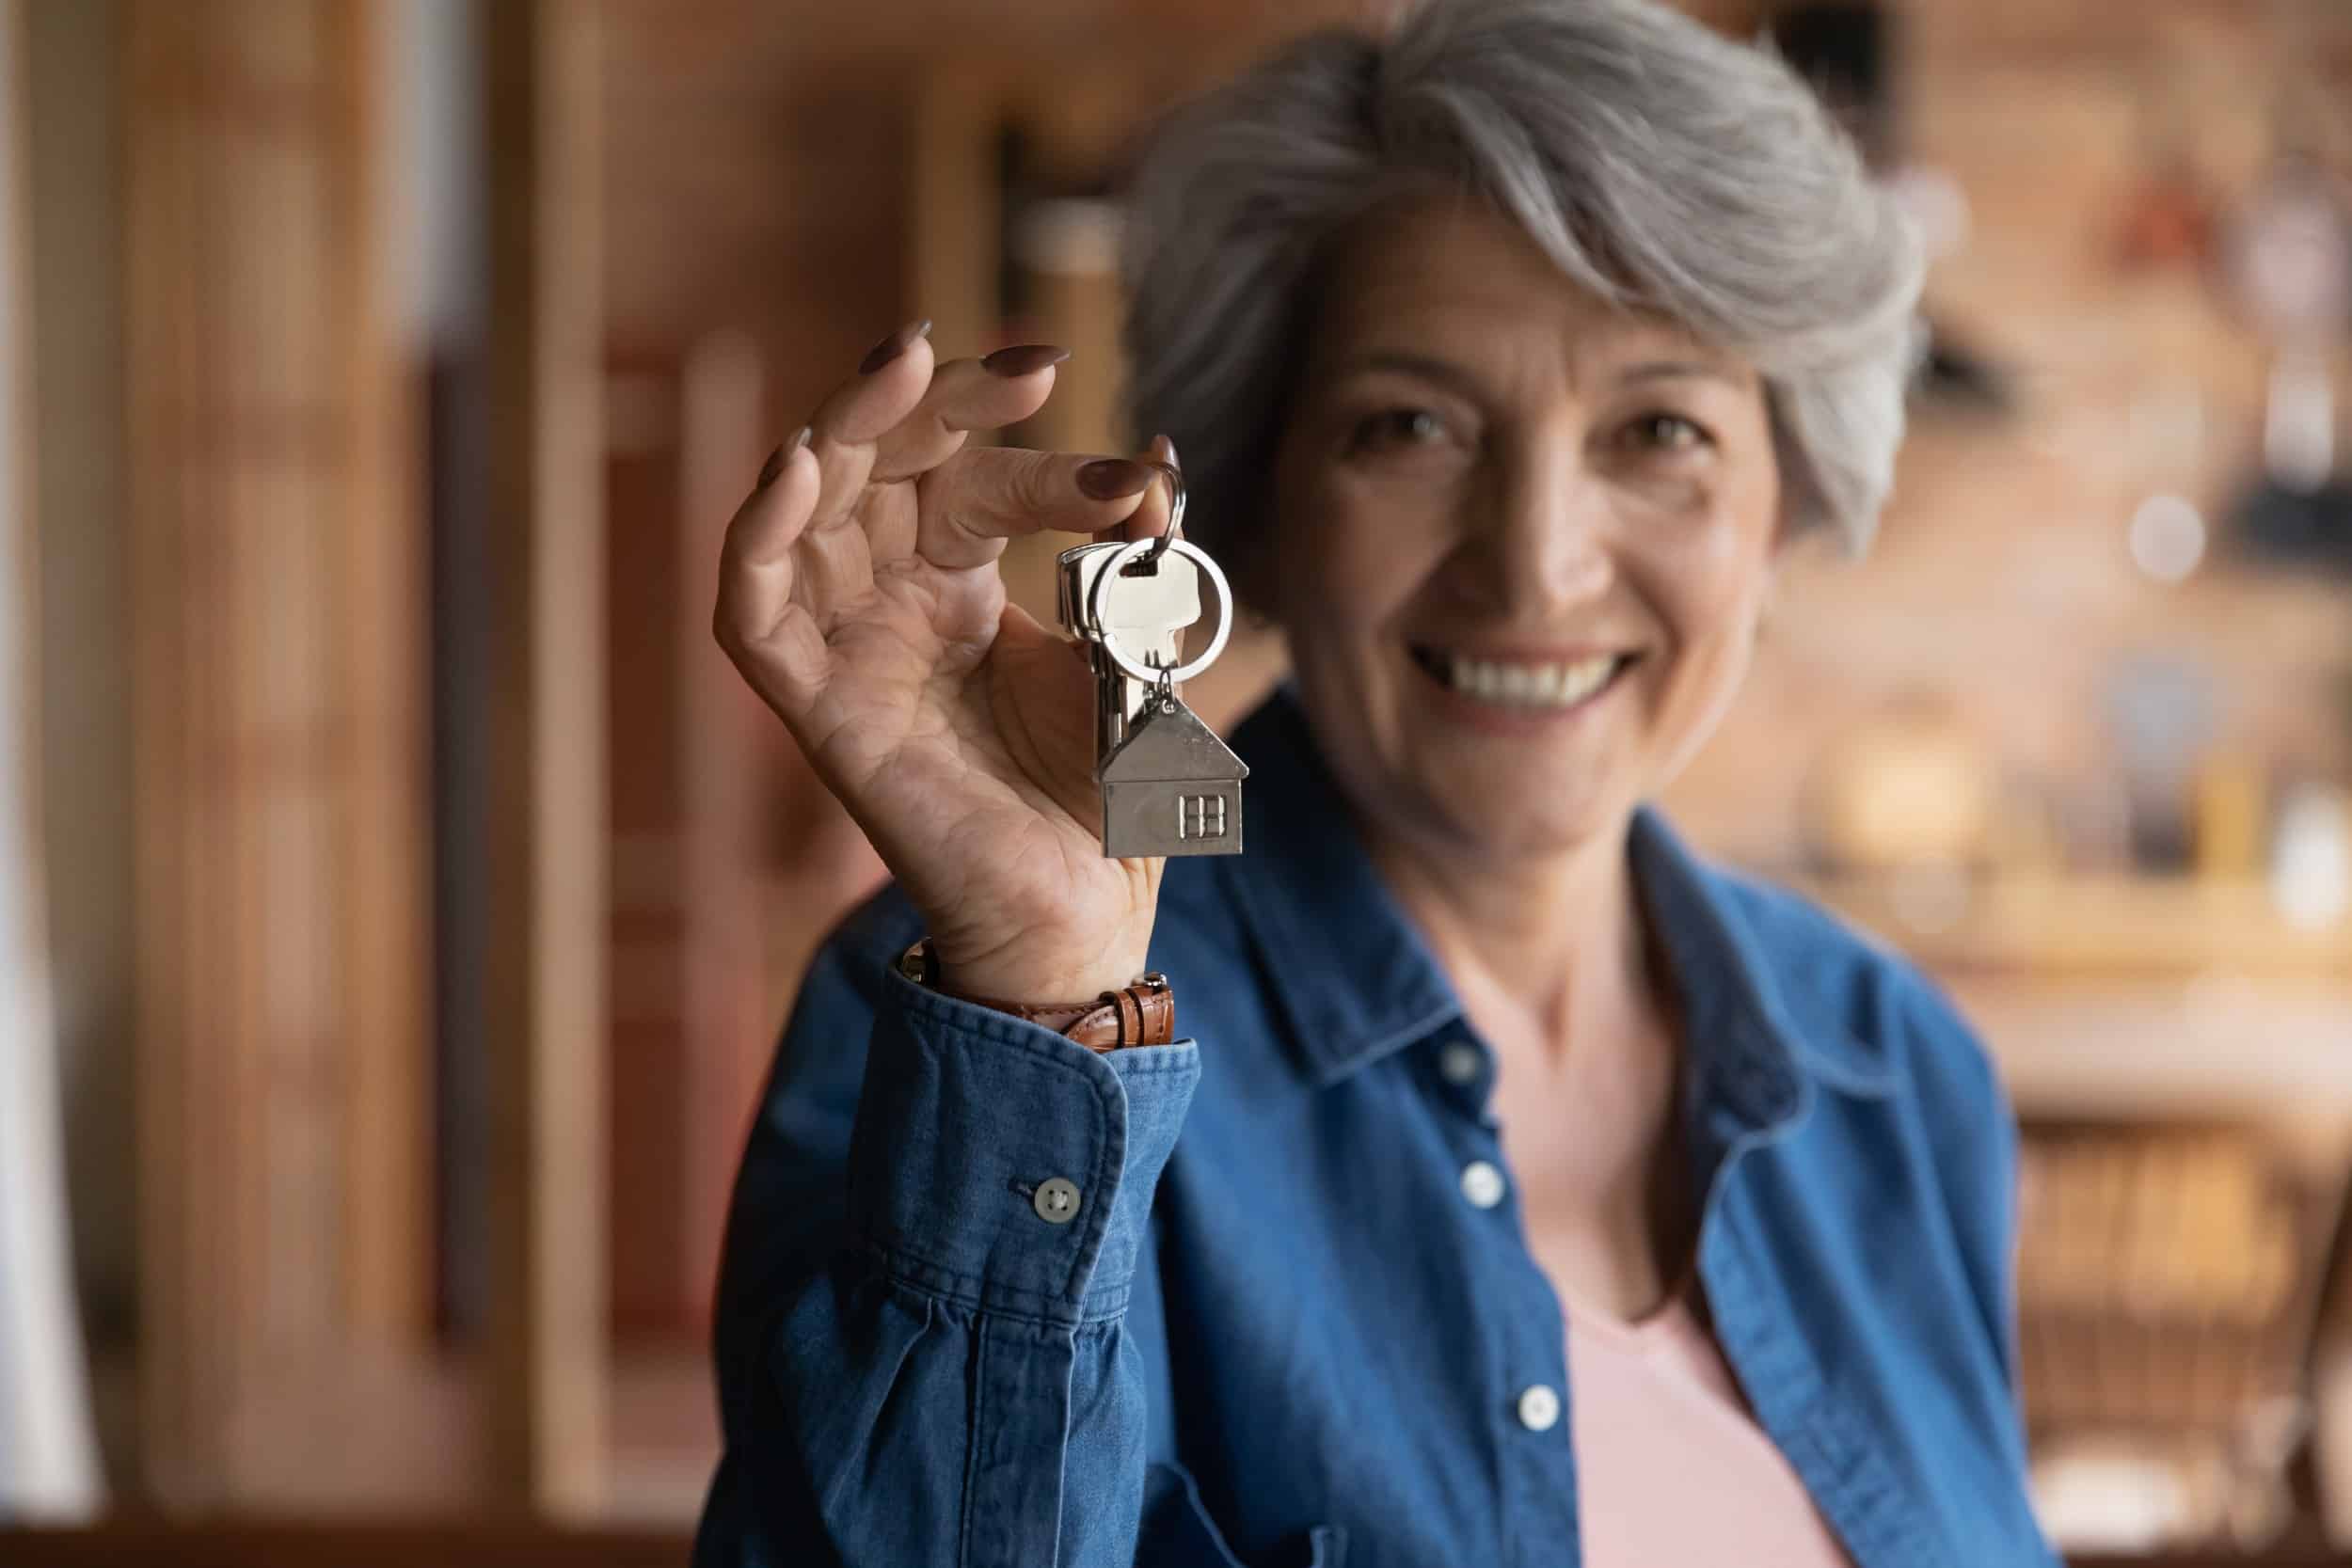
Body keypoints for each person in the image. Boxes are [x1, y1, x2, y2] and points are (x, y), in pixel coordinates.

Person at [693, 0, 2055, 1562]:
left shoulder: (1898, 1075)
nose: (1535, 565)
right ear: (1261, 506)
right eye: (1409, 426)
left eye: (1659, 429)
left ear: (1786, 504)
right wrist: (1040, 1001)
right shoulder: (965, 1022)